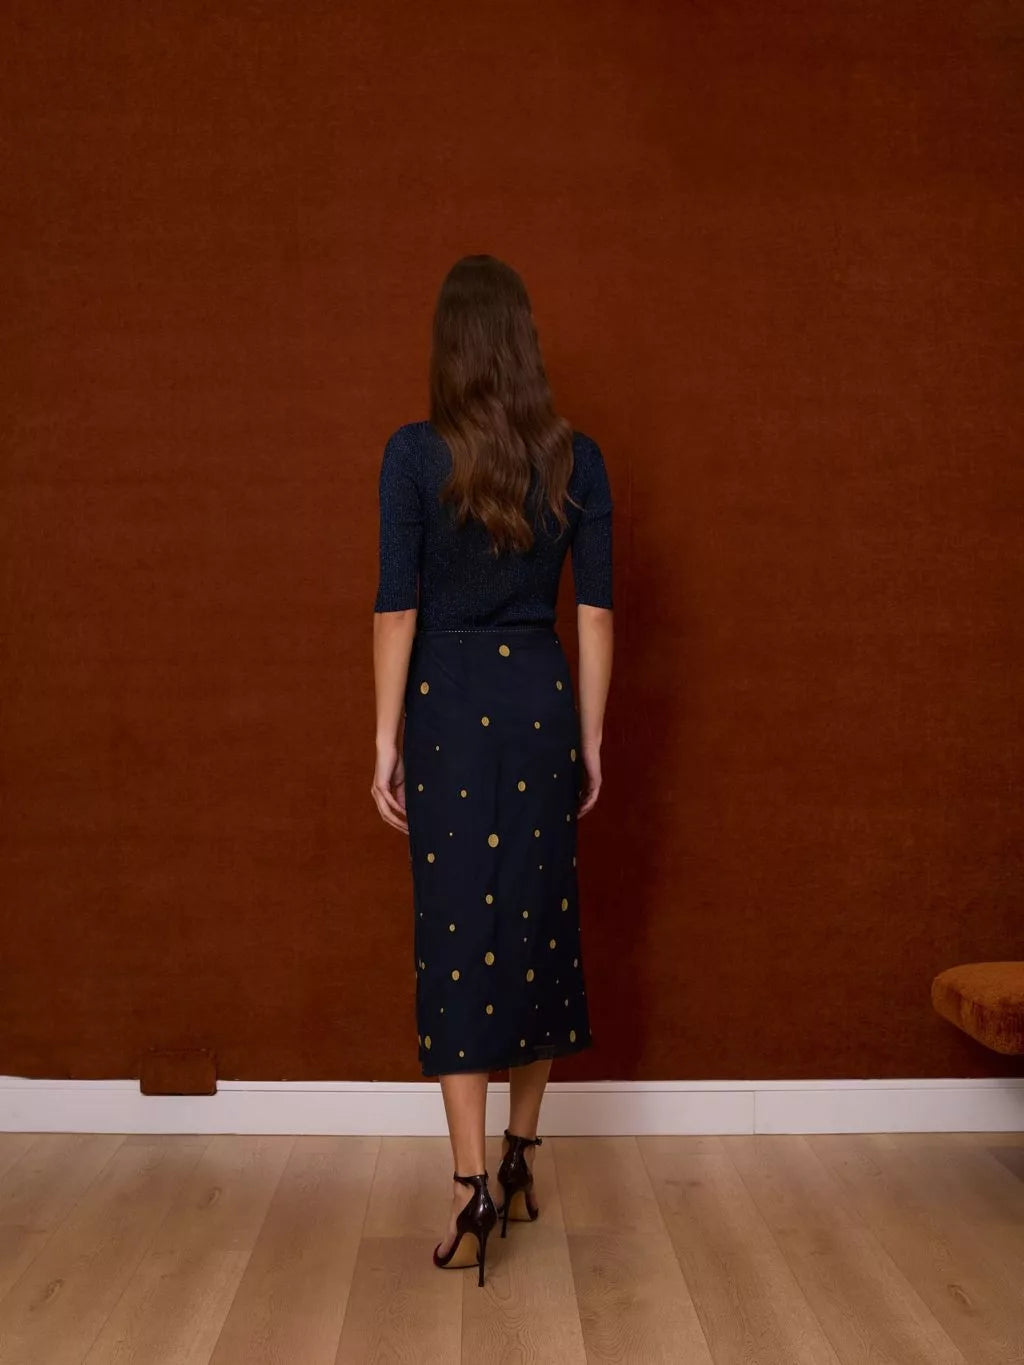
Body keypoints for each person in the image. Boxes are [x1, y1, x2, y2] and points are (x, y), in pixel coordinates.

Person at [370, 254, 614, 1287]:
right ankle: (519, 1156)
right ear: (523, 344)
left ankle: (469, 1182)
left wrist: (382, 738)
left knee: (458, 935)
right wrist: (590, 738)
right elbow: (594, 613)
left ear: (449, 347)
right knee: (538, 923)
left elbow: (397, 608)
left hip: (446, 708)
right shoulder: (575, 459)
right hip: (540, 701)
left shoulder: (411, 455)